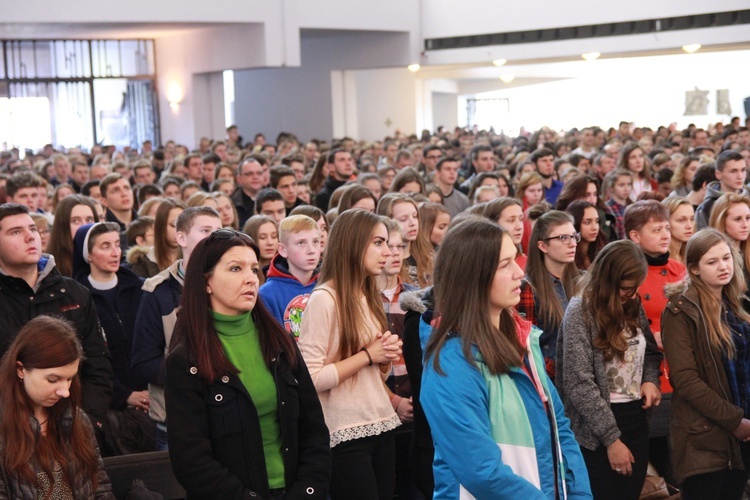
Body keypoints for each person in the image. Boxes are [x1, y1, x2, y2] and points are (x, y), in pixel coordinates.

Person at [420, 218, 591, 498]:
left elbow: (560, 429)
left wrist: (580, 495)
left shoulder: (524, 340)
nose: (518, 273)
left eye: (515, 259)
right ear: (473, 276)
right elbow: (482, 472)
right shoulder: (451, 363)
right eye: (504, 265)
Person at [165, 228, 331, 499]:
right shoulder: (187, 360)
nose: (250, 279)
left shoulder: (280, 343)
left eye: (254, 270)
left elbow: (314, 430)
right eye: (235, 269)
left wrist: (307, 491)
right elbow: (191, 460)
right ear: (206, 281)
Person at [299, 209, 403, 500]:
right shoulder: (324, 299)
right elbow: (311, 377)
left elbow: (372, 371)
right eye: (378, 243)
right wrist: (368, 356)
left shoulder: (366, 294)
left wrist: (384, 358)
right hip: (344, 432)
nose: (387, 252)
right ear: (354, 243)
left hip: (380, 422)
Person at [558, 240, 662, 500]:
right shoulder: (580, 311)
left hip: (636, 418)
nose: (631, 293)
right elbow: (578, 382)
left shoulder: (631, 303)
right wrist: (611, 439)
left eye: (635, 287)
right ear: (608, 280)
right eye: (626, 287)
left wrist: (650, 380)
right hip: (596, 430)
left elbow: (649, 351)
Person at [0, 203, 113, 438]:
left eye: (32, 229)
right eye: (15, 232)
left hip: (71, 428)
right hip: (9, 434)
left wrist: (86, 423)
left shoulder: (74, 293)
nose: (30, 237)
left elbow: (98, 364)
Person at [662, 229, 750, 499]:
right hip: (704, 434)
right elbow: (686, 379)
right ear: (694, 269)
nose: (723, 267)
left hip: (743, 432)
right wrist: (735, 421)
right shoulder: (680, 310)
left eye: (726, 258)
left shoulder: (737, 303)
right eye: (712, 262)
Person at [131, 206, 222, 451]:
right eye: (205, 231)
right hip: (177, 418)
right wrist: (197, 376)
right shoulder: (158, 291)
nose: (214, 238)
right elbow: (143, 362)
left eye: (219, 231)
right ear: (181, 238)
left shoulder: (233, 282)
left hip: (227, 415)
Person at [0, 316, 114, 498]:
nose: (65, 392)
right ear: (20, 370)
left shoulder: (77, 419)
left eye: (69, 379)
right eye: (53, 380)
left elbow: (100, 487)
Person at [72, 223, 149, 415]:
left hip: (149, 397)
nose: (116, 252)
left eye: (117, 244)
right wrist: (123, 395)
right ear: (88, 254)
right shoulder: (76, 297)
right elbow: (86, 360)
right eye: (105, 246)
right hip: (105, 405)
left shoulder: (141, 290)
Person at [516, 210, 581, 379]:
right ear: (542, 245)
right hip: (553, 384)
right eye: (563, 238)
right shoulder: (528, 288)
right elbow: (526, 349)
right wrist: (561, 370)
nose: (572, 243)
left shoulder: (584, 281)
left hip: (587, 382)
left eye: (574, 236)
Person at [259, 215, 321, 339]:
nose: (311, 250)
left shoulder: (329, 284)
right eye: (301, 243)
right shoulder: (267, 294)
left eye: (315, 242)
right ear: (283, 250)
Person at [377, 193, 434, 287]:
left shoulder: (429, 257)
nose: (413, 223)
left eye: (415, 216)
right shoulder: (381, 264)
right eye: (403, 219)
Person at [128, 199, 185, 278]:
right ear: (161, 225)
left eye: (185, 224)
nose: (180, 230)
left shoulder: (198, 258)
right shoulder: (142, 263)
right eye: (174, 225)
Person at [47, 195, 99, 277]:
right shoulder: (48, 268)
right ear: (62, 226)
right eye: (76, 221)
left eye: (89, 220)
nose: (84, 226)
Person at [696, 150, 749, 229]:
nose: (740, 176)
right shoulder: (706, 207)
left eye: (743, 170)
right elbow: (703, 239)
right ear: (718, 174)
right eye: (733, 171)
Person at [483, 197, 528, 269]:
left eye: (521, 219)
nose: (519, 227)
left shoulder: (529, 264)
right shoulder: (483, 263)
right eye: (511, 220)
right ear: (493, 224)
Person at [567, 200, 607, 270]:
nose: (594, 227)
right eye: (587, 222)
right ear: (575, 224)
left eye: (597, 221)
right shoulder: (568, 256)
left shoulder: (602, 252)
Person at [242, 215, 279, 285]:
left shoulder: (287, 269)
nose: (270, 242)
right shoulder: (243, 273)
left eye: (274, 236)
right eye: (263, 237)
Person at [664, 197, 695, 266]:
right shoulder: (660, 258)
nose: (689, 226)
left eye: (692, 219)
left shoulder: (693, 254)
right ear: (666, 223)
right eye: (681, 220)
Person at [604, 170, 633, 240]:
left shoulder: (632, 206)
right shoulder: (606, 208)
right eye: (621, 185)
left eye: (629, 184)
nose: (626, 189)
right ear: (611, 188)